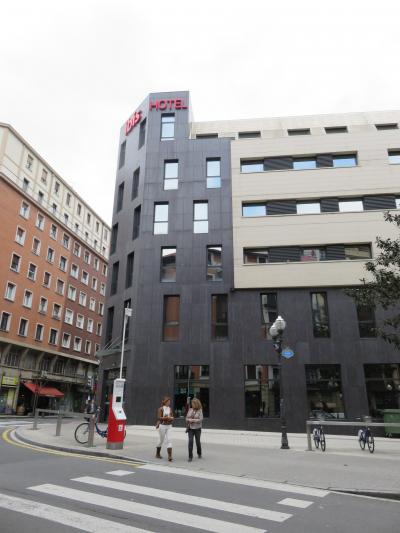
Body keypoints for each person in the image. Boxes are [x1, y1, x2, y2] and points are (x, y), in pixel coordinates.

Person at [156, 397, 174, 461]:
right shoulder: (161, 409)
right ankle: (157, 453)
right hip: (162, 426)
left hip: (169, 426)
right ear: (164, 402)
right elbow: (159, 417)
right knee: (161, 440)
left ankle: (170, 456)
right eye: (168, 401)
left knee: (169, 440)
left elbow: (172, 416)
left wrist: (171, 418)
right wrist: (166, 418)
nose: (169, 402)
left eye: (169, 401)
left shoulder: (170, 409)